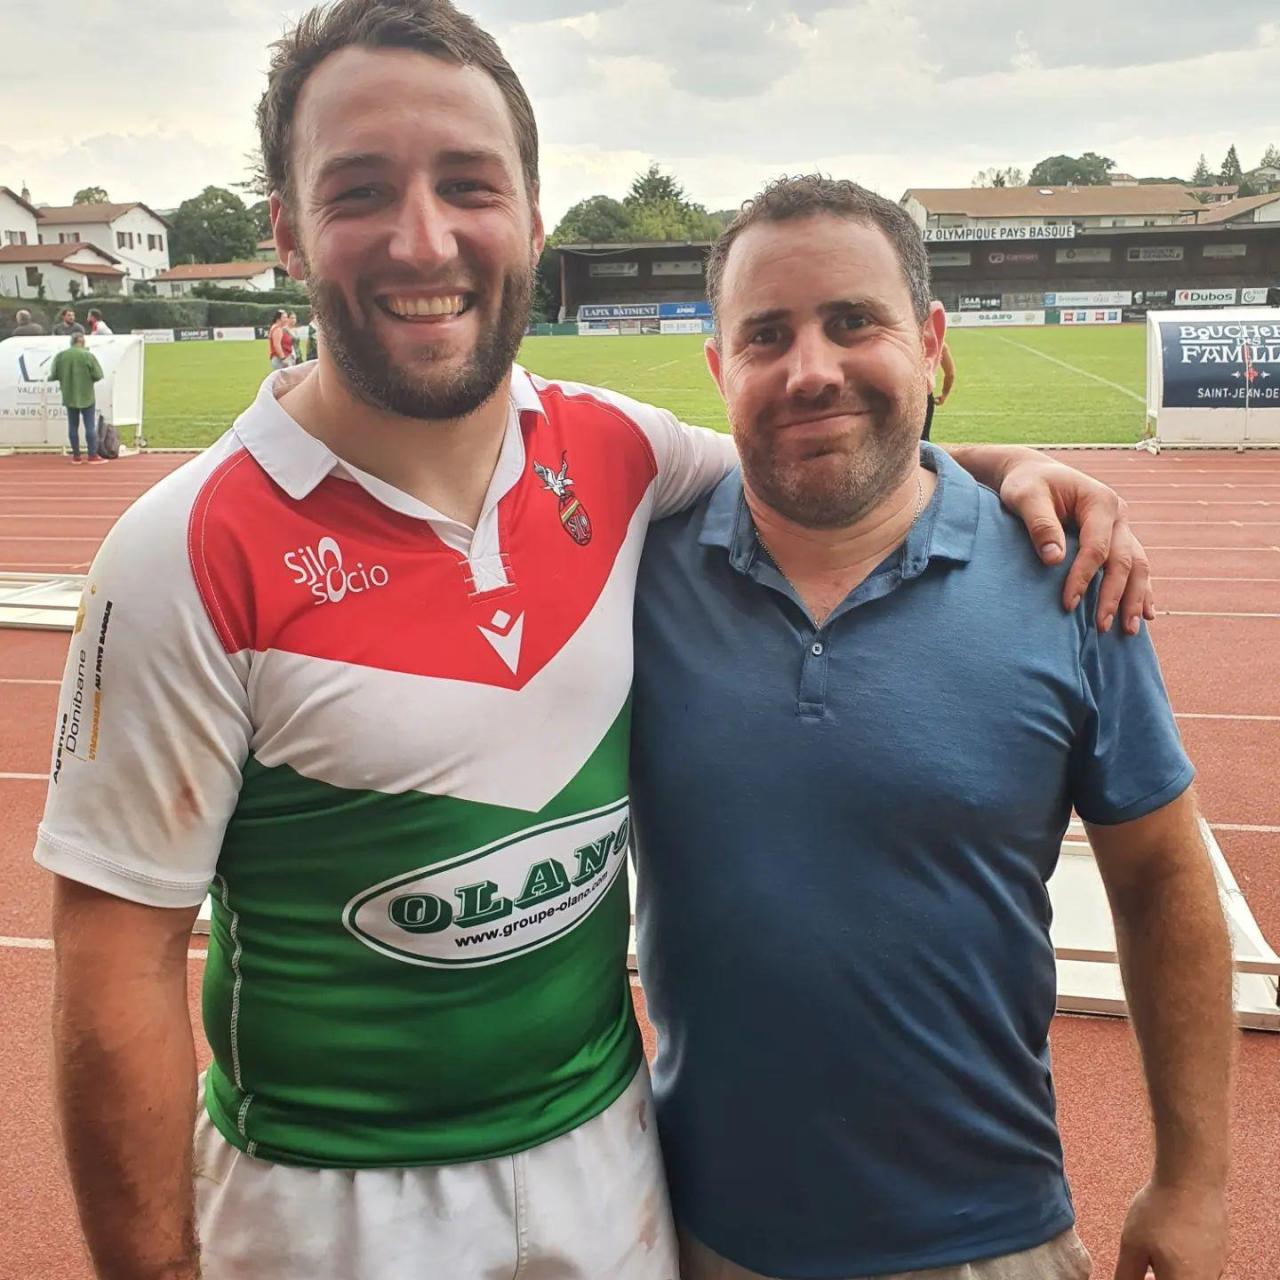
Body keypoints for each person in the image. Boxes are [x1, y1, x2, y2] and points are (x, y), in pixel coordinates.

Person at [36, 5, 1152, 1279]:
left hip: (609, 1162)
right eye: (358, 190)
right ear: (284, 228)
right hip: (324, 1207)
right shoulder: (177, 550)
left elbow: (814, 466)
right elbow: (112, 963)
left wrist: (1018, 474)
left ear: (531, 214)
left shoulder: (613, 450)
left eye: (469, 186)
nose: (423, 238)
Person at [629, 176, 1234, 1280]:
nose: (810, 368)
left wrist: (1190, 1181)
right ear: (719, 372)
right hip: (695, 1235)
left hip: (990, 1241)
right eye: (766, 335)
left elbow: (1159, 882)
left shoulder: (1069, 578)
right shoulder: (631, 577)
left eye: (852, 321)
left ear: (931, 342)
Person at [47, 331, 105, 465]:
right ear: (82, 341)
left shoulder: (61, 356)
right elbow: (97, 374)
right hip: (86, 394)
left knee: (73, 426)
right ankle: (92, 455)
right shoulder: (87, 355)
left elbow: (53, 375)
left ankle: (76, 456)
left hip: (69, 394)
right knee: (89, 426)